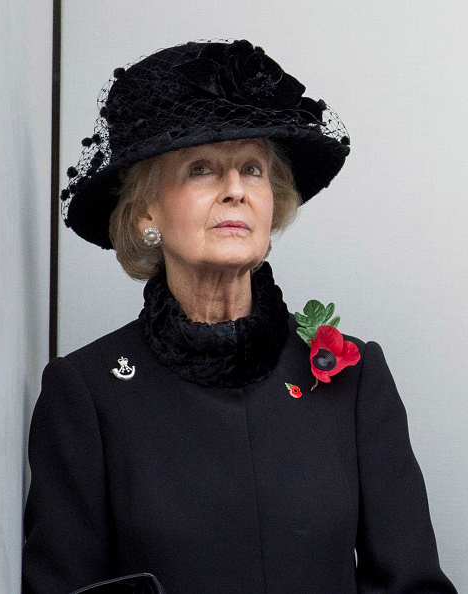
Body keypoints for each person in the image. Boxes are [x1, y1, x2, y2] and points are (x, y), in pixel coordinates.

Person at [22, 40, 457, 594]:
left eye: (252, 169)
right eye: (201, 169)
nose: (235, 190)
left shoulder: (353, 377)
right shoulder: (86, 393)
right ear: (146, 212)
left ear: (274, 200)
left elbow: (414, 585)